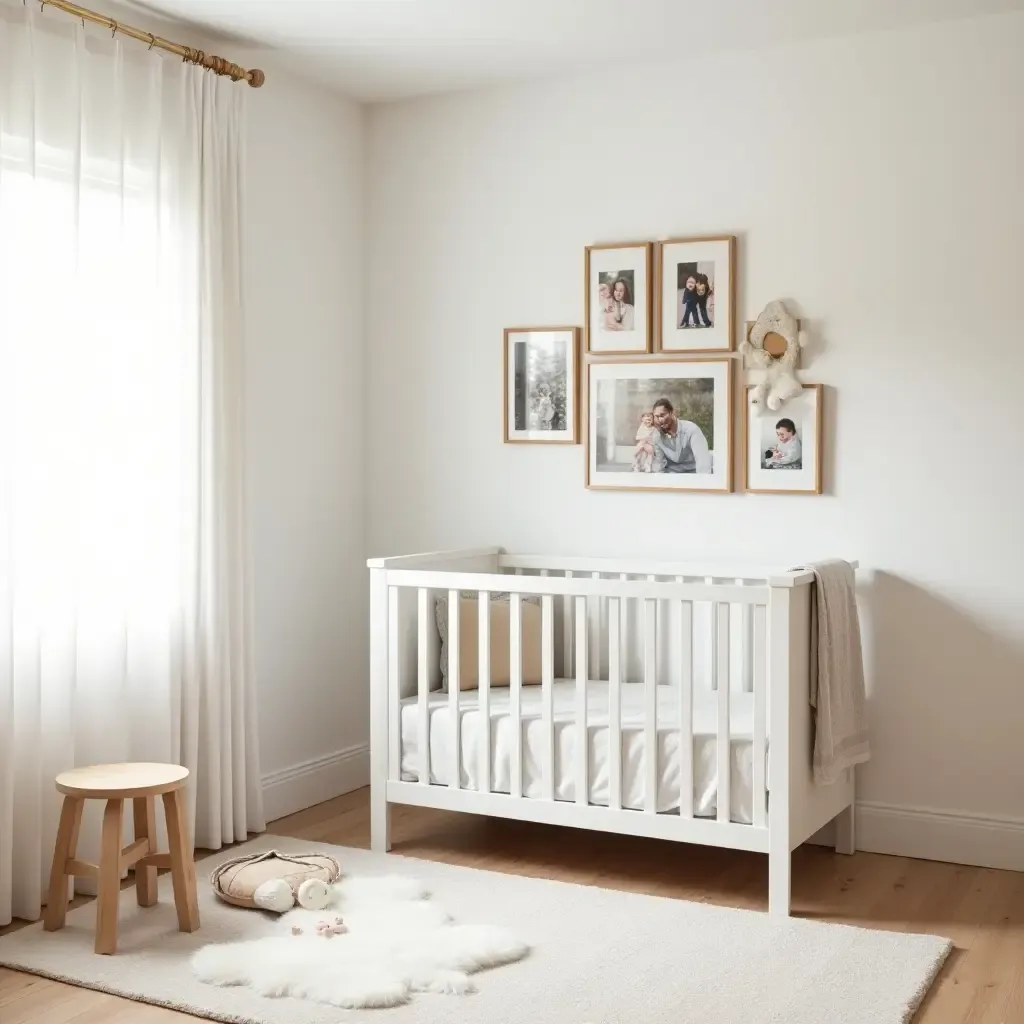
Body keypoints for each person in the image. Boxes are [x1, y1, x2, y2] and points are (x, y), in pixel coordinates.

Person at [650, 398, 711, 473]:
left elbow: (703, 461)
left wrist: (702, 482)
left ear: (671, 412)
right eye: (657, 416)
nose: (660, 419)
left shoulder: (691, 429)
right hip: (671, 476)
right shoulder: (657, 436)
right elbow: (659, 463)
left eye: (662, 415)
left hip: (693, 474)